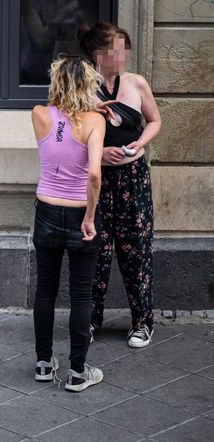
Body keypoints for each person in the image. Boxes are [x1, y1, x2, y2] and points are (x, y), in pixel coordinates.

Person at [80, 23, 161, 348]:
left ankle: (143, 322)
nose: (124, 54)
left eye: (126, 47)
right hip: (96, 181)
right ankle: (89, 320)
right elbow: (71, 134)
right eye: (118, 48)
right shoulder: (83, 87)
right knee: (94, 251)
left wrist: (139, 144)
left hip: (133, 180)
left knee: (137, 250)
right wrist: (98, 155)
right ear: (100, 54)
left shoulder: (136, 83)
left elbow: (155, 120)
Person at [31, 55, 105, 392]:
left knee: (45, 290)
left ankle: (44, 364)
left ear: (56, 82)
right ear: (89, 85)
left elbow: (57, 117)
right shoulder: (95, 122)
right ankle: (77, 372)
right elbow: (93, 174)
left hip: (46, 209)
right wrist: (90, 217)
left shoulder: (38, 115)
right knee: (79, 295)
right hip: (79, 212)